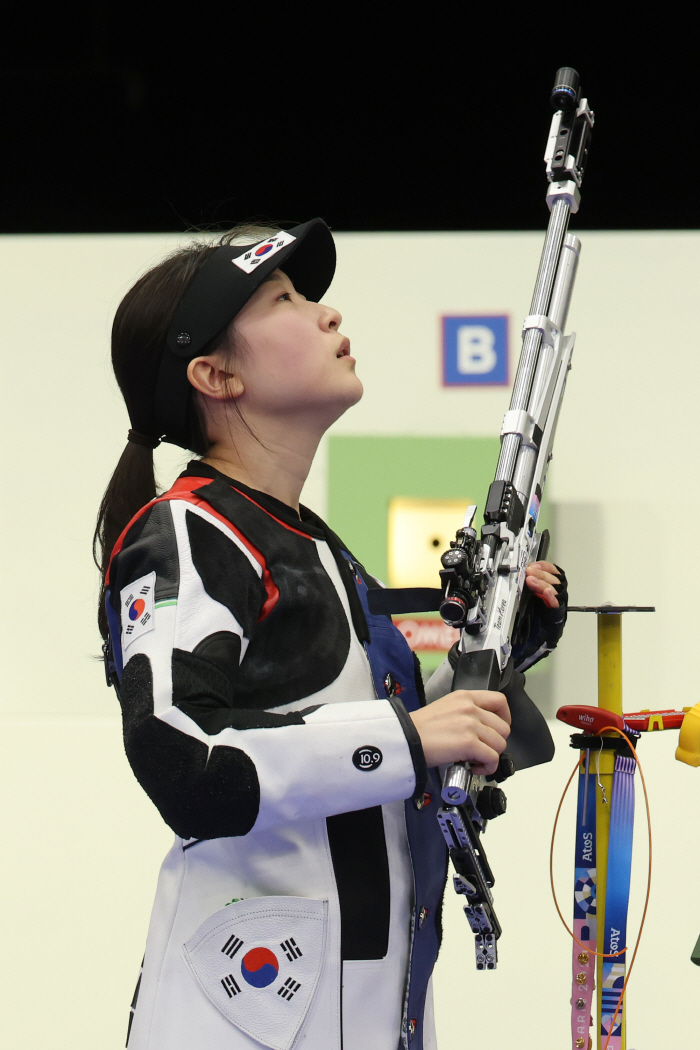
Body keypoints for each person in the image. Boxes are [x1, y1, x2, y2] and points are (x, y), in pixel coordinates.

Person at [94, 219, 567, 1050]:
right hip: (242, 1022)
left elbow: (380, 743)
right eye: (284, 299)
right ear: (214, 374)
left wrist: (497, 655)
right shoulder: (183, 532)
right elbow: (182, 758)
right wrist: (411, 735)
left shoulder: (318, 547)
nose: (327, 315)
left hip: (369, 1013)